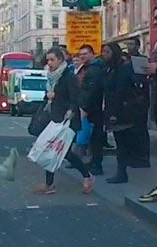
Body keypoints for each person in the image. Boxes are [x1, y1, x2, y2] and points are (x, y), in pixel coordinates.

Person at [33, 47, 94, 195]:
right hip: (54, 117)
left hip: (67, 120)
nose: (49, 63)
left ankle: (86, 175)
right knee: (51, 150)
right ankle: (50, 184)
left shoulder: (68, 76)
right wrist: (48, 96)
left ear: (61, 60)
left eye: (52, 59)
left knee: (63, 152)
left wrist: (71, 111)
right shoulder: (51, 76)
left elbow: (75, 96)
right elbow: (49, 97)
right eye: (48, 60)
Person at [101, 43, 144, 184]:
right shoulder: (110, 69)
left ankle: (122, 172)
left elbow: (120, 92)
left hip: (122, 112)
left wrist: (114, 113)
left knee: (122, 143)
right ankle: (121, 171)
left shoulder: (121, 69)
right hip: (114, 109)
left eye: (107, 52)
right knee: (121, 142)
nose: (104, 54)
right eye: (103, 52)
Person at [77, 45, 106, 176]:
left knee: (95, 137)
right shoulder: (89, 68)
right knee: (93, 137)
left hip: (94, 109)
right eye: (80, 54)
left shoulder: (94, 69)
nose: (82, 56)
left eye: (85, 53)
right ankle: (94, 161)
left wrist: (85, 107)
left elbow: (91, 91)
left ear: (92, 54)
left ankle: (97, 164)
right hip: (93, 108)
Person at [124, 37, 151, 168]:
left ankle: (143, 157)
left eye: (132, 44)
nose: (129, 47)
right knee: (131, 129)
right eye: (128, 44)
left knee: (140, 128)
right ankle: (133, 155)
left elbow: (143, 79)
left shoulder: (142, 60)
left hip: (140, 99)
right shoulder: (125, 60)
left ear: (138, 46)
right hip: (129, 99)